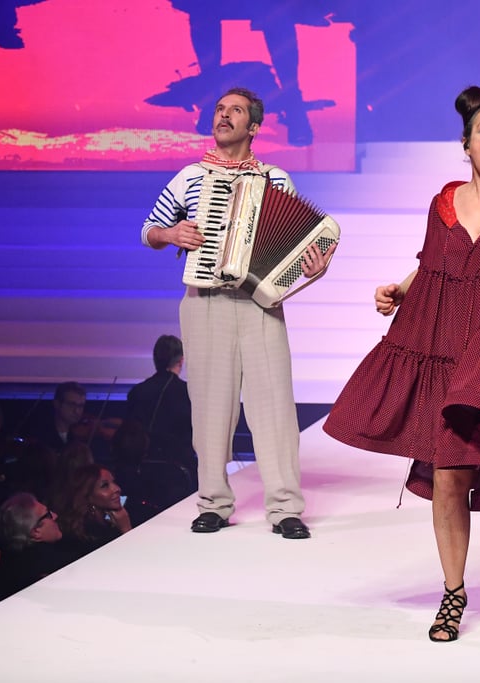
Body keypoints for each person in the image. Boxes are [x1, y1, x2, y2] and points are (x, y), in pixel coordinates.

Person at [323, 85, 480, 659]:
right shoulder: (443, 200)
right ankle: (453, 593)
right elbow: (437, 265)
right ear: (466, 142)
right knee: (448, 478)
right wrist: (400, 289)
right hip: (447, 347)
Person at [140, 87, 334, 539]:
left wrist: (314, 267)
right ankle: (212, 502)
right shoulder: (189, 176)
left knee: (274, 406)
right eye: (219, 109)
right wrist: (171, 234)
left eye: (236, 111)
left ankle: (285, 508)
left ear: (254, 127)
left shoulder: (277, 180)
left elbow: (294, 248)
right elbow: (148, 229)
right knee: (209, 406)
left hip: (259, 303)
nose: (223, 116)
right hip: (203, 302)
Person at [126, 334, 197, 475]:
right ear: (181, 361)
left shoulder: (137, 391)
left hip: (143, 469)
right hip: (180, 471)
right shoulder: (189, 392)